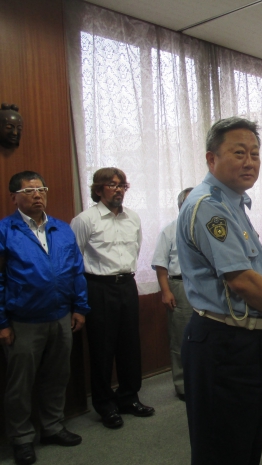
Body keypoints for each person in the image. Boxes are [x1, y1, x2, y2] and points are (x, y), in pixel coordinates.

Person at [177, 116, 262, 465]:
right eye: (239, 152)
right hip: (223, 344)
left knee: (243, 441)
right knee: (221, 448)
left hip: (247, 343)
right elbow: (242, 281)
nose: (249, 162)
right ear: (211, 159)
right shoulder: (209, 205)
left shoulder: (234, 204)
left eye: (255, 154)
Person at [0, 171, 89, 465]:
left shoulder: (62, 230)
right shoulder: (5, 231)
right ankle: (22, 438)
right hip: (23, 321)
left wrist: (79, 307)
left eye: (42, 189)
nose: (37, 195)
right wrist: (2, 323)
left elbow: (76, 270)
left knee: (57, 376)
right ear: (14, 197)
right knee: (20, 384)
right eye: (29, 191)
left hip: (61, 316)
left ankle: (52, 427)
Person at [70, 167, 154, 430]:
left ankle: (129, 397)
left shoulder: (133, 218)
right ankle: (106, 404)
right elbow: (74, 261)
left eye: (122, 185)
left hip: (126, 285)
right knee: (102, 349)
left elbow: (136, 250)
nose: (118, 189)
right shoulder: (85, 220)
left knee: (130, 345)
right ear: (98, 189)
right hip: (98, 287)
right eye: (112, 185)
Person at [151, 187, 193, 400]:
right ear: (180, 206)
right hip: (180, 286)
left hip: (207, 287)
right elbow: (161, 264)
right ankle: (183, 385)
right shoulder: (170, 230)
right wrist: (165, 291)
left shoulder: (209, 226)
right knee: (181, 338)